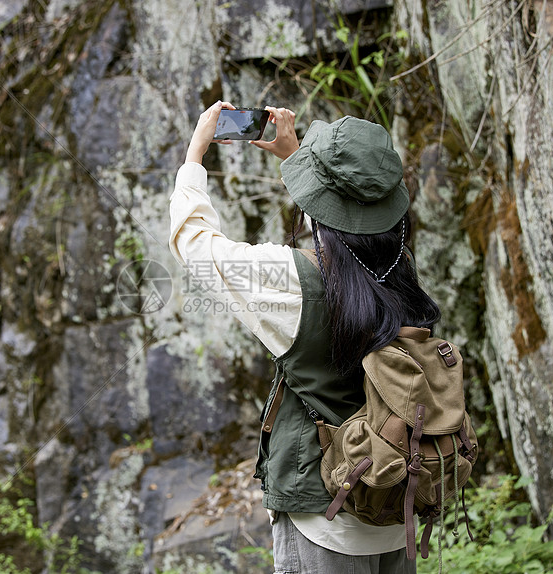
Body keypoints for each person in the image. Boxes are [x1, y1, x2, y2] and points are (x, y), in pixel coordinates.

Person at [169, 100, 440, 574]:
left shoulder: (292, 281)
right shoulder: (402, 268)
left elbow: (193, 241)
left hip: (325, 517)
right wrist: (296, 159)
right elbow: (354, 228)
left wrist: (195, 155)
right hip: (394, 505)